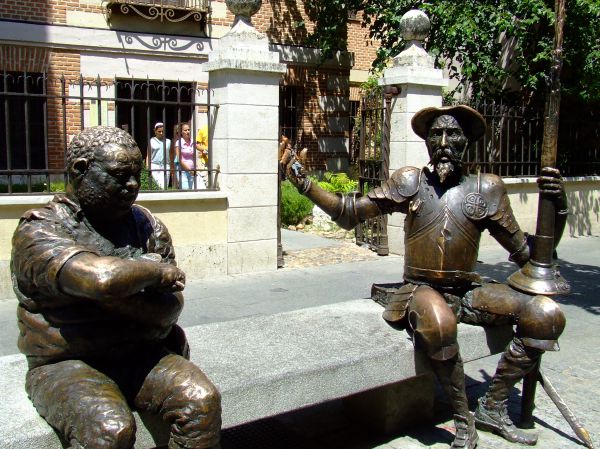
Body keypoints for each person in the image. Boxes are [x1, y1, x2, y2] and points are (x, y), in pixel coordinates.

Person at [284, 105, 568, 449]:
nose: (444, 141)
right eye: (437, 133)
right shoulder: (411, 182)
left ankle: (492, 406)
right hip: (420, 290)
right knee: (439, 320)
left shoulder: (487, 189)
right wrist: (304, 182)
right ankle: (464, 418)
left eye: (453, 134)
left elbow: (530, 257)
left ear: (468, 141)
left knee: (545, 314)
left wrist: (559, 208)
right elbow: (350, 213)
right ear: (428, 141)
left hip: (468, 290)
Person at [11, 126, 221, 449]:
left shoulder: (147, 225)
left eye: (137, 174)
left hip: (139, 353)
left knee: (201, 401)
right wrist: (150, 271)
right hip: (66, 364)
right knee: (111, 429)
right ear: (81, 171)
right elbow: (100, 279)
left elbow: (169, 309)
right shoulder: (41, 229)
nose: (133, 184)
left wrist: (109, 291)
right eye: (120, 175)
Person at [175, 121, 204, 189]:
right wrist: (189, 170)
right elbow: (179, 159)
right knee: (185, 189)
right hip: (182, 170)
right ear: (181, 132)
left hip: (192, 169)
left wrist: (206, 149)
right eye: (185, 130)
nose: (188, 131)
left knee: (191, 189)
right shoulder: (179, 142)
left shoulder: (192, 141)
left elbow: (201, 148)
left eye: (189, 130)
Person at [147, 122, 174, 189]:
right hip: (154, 165)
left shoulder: (168, 141)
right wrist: (147, 166)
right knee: (155, 186)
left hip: (165, 165)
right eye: (159, 131)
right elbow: (148, 155)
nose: (161, 133)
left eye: (163, 131)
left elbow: (171, 154)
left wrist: (172, 167)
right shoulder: (151, 141)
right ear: (155, 131)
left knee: (164, 186)